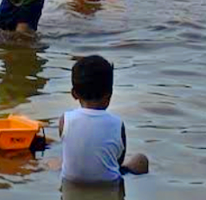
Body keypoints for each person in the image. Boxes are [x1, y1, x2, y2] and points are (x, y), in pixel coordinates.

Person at [61, 55, 150, 184]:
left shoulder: (65, 120)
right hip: (108, 183)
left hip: (72, 182)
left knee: (60, 161)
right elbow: (118, 160)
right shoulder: (117, 124)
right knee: (141, 160)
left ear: (74, 94)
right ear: (109, 95)